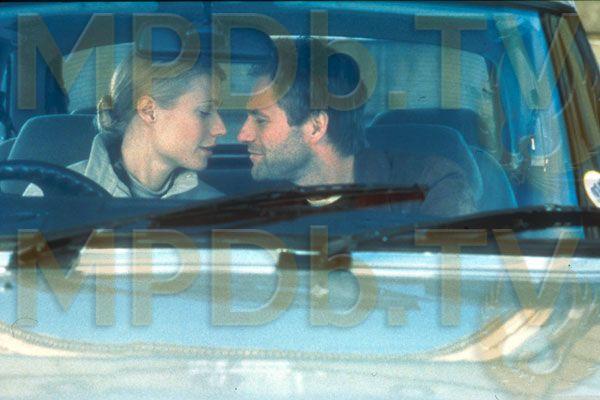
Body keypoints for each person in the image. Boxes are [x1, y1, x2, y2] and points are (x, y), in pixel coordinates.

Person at [236, 38, 476, 216]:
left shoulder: (430, 185)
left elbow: (453, 266)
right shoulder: (263, 201)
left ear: (316, 126)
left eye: (261, 120)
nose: (242, 135)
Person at [24, 51, 226, 199]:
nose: (221, 128)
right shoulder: (52, 195)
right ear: (149, 111)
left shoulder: (213, 209)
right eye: (205, 112)